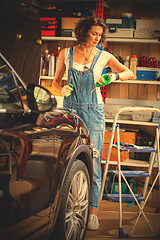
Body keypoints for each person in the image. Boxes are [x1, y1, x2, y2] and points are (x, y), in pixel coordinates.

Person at [52, 16, 134, 231]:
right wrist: (62, 90)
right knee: (66, 159)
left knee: (94, 161)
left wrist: (113, 78)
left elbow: (129, 72)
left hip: (93, 112)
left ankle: (93, 211)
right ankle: (66, 206)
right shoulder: (66, 54)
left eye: (100, 34)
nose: (98, 38)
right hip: (69, 111)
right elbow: (55, 82)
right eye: (93, 33)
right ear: (83, 32)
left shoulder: (104, 56)